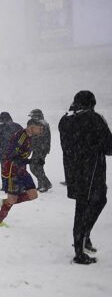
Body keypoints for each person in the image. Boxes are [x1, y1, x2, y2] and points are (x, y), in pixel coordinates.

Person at [58, 91, 112, 265]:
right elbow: (109, 147)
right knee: (91, 205)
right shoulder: (93, 118)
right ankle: (80, 250)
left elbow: (68, 146)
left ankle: (83, 238)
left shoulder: (65, 120)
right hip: (92, 172)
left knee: (84, 206)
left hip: (74, 172)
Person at [0, 119, 45, 228]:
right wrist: (31, 161)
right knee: (12, 199)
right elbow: (13, 157)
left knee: (33, 195)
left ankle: (5, 202)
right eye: (39, 128)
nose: (41, 130)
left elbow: (21, 157)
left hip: (21, 170)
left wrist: (33, 160)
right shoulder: (21, 137)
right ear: (31, 127)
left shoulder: (29, 137)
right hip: (12, 170)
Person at [29, 109, 52, 192]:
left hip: (40, 149)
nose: (31, 117)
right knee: (37, 166)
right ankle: (45, 184)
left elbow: (37, 137)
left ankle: (43, 185)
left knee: (35, 167)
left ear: (36, 115)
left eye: (32, 116)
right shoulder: (43, 123)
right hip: (42, 149)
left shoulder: (40, 124)